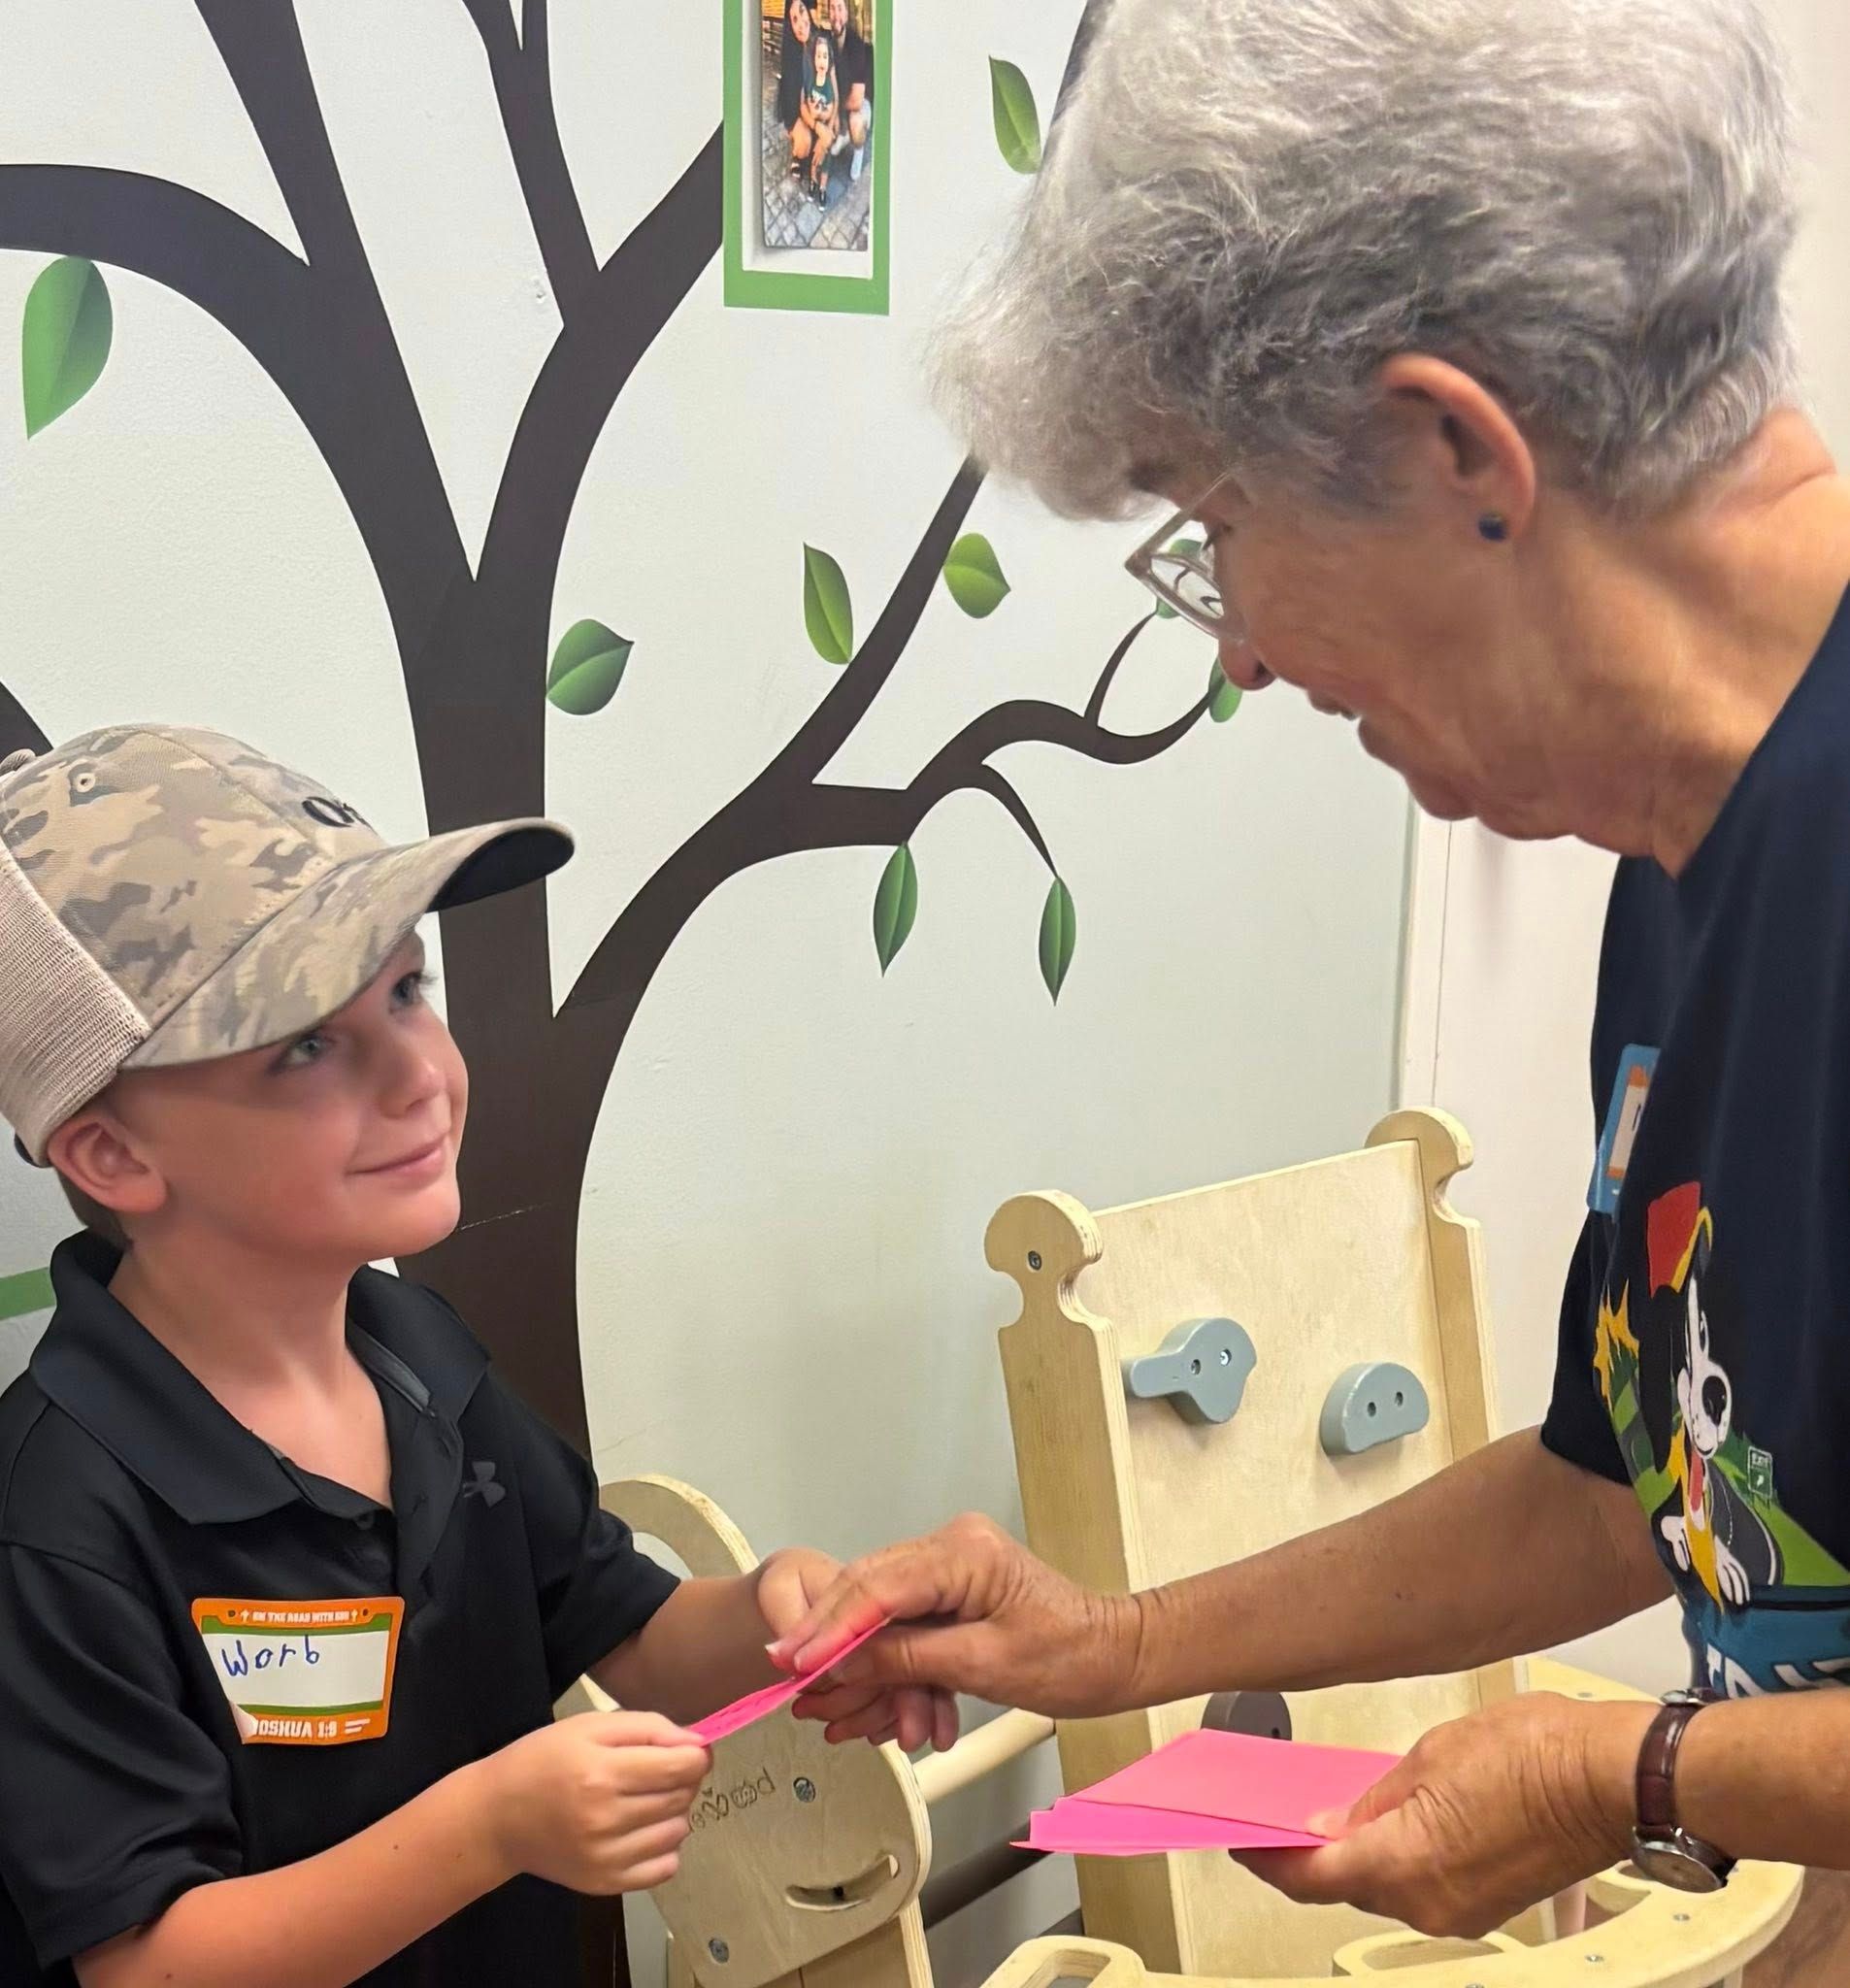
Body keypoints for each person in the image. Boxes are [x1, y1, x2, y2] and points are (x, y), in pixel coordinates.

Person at [773, 0, 1850, 1969]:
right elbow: (1628, 1493)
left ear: (1455, 450)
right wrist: (1116, 1636)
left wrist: (1626, 1775)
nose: (1243, 653)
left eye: (1213, 529)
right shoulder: (1691, 861)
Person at [0, 726, 944, 1988]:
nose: (421, 1077)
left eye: (405, 991)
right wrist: (488, 1827)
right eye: (304, 1046)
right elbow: (147, 1965)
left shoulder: (417, 1361)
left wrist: (789, 1615)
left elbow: (634, 1635)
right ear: (112, 1155)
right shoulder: (58, 1523)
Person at [826, 0, 874, 183]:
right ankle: (843, 135)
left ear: (846, 14)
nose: (836, 14)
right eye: (832, 8)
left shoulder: (857, 45)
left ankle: (858, 150)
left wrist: (833, 107)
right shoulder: (828, 41)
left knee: (855, 120)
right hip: (840, 99)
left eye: (840, 8)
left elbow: (855, 100)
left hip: (861, 104)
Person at [799, 31, 840, 209]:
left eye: (824, 56)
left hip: (825, 127)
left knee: (825, 162)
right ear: (813, 60)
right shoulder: (812, 80)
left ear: (829, 60)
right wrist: (814, 113)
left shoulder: (829, 85)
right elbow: (807, 100)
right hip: (816, 128)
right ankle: (813, 183)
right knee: (814, 162)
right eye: (818, 56)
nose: (821, 60)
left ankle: (822, 188)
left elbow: (830, 107)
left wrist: (821, 114)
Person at [776, 0, 813, 164]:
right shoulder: (791, 55)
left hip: (819, 107)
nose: (800, 24)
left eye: (802, 12)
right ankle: (797, 151)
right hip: (798, 109)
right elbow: (791, 102)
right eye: (794, 20)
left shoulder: (822, 44)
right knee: (804, 144)